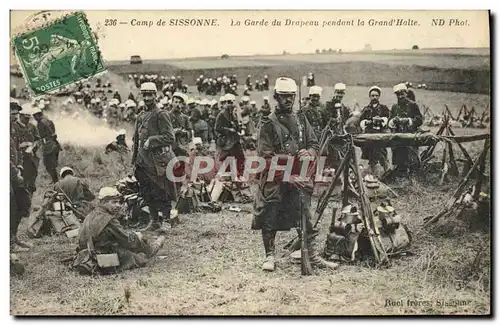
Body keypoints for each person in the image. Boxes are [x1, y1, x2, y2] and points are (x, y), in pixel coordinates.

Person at [251, 77, 338, 272]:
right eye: (283, 97)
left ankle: (312, 256)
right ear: (276, 97)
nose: (288, 100)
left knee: (304, 215)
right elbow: (266, 159)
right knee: (270, 215)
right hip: (276, 177)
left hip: (298, 177)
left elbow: (314, 143)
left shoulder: (301, 119)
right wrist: (289, 176)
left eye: (291, 97)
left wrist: (311, 152)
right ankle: (269, 255)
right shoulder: (268, 125)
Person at [72, 187, 166, 275]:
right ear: (104, 202)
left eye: (118, 202)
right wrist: (137, 236)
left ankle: (155, 244)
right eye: (114, 202)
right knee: (140, 257)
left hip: (85, 255)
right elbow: (127, 241)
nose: (118, 205)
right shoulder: (108, 219)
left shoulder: (90, 215)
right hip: (102, 258)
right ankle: (156, 245)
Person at [132, 82, 178, 232]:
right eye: (144, 95)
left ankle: (166, 220)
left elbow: (170, 137)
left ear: (155, 96)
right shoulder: (140, 116)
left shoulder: (161, 114)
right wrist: (134, 161)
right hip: (142, 162)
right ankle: (154, 221)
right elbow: (136, 140)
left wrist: (152, 141)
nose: (147, 98)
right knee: (147, 192)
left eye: (150, 94)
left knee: (162, 191)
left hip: (158, 162)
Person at [10, 101, 33, 253]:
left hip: (14, 172)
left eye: (16, 113)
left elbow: (17, 150)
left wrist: (19, 167)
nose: (14, 116)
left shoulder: (12, 129)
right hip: (8, 174)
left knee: (24, 204)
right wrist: (14, 172)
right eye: (11, 113)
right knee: (10, 207)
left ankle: (13, 237)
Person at [389, 83, 424, 176]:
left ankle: (415, 179)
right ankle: (401, 177)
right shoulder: (394, 107)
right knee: (400, 160)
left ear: (406, 93)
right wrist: (393, 121)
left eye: (402, 94)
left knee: (412, 159)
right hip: (398, 137)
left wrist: (408, 120)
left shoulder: (413, 105)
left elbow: (420, 120)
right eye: (398, 94)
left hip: (411, 136)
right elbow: (389, 121)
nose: (400, 96)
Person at [359, 86, 390, 174]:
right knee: (368, 154)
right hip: (368, 135)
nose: (374, 97)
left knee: (381, 155)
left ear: (379, 96)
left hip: (380, 135)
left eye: (376, 95)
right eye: (372, 95)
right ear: (370, 96)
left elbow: (388, 119)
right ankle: (369, 174)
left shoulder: (384, 108)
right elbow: (361, 121)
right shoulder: (366, 109)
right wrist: (367, 122)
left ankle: (385, 173)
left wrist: (382, 120)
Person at [215, 93, 245, 180]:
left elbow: (238, 124)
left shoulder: (235, 113)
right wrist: (228, 130)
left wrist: (240, 128)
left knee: (241, 157)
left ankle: (240, 175)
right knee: (228, 161)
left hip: (235, 140)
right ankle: (229, 178)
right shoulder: (221, 114)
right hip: (227, 141)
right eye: (229, 102)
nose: (230, 104)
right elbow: (217, 128)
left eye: (232, 102)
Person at [15, 103, 41, 195]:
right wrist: (23, 145)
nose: (27, 120)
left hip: (31, 157)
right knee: (22, 181)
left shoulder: (32, 127)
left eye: (29, 118)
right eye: (25, 118)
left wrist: (34, 146)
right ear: (20, 116)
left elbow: (38, 139)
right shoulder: (14, 127)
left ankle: (29, 196)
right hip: (20, 159)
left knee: (32, 178)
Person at [33, 107, 61, 184]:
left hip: (49, 146)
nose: (34, 118)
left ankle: (56, 182)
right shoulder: (48, 120)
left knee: (48, 164)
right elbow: (53, 132)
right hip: (54, 145)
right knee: (51, 165)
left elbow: (47, 135)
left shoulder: (41, 123)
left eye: (35, 116)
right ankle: (55, 180)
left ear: (38, 115)